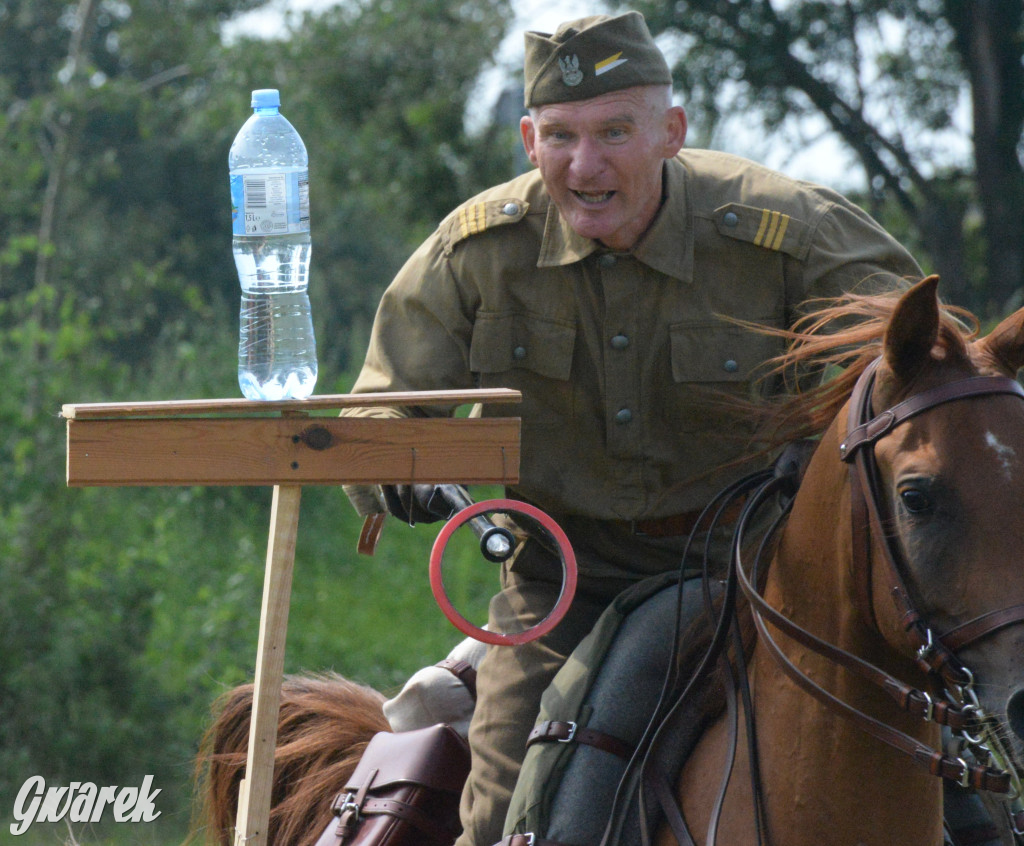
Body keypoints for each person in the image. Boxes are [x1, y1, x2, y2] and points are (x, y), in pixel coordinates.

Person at [339, 11, 921, 846]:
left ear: (671, 133)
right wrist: (411, 470)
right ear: (527, 140)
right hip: (562, 584)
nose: (586, 164)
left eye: (616, 132)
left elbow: (923, 351)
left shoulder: (780, 229)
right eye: (562, 136)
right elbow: (380, 411)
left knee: (960, 773)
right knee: (503, 812)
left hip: (767, 569)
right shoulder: (478, 250)